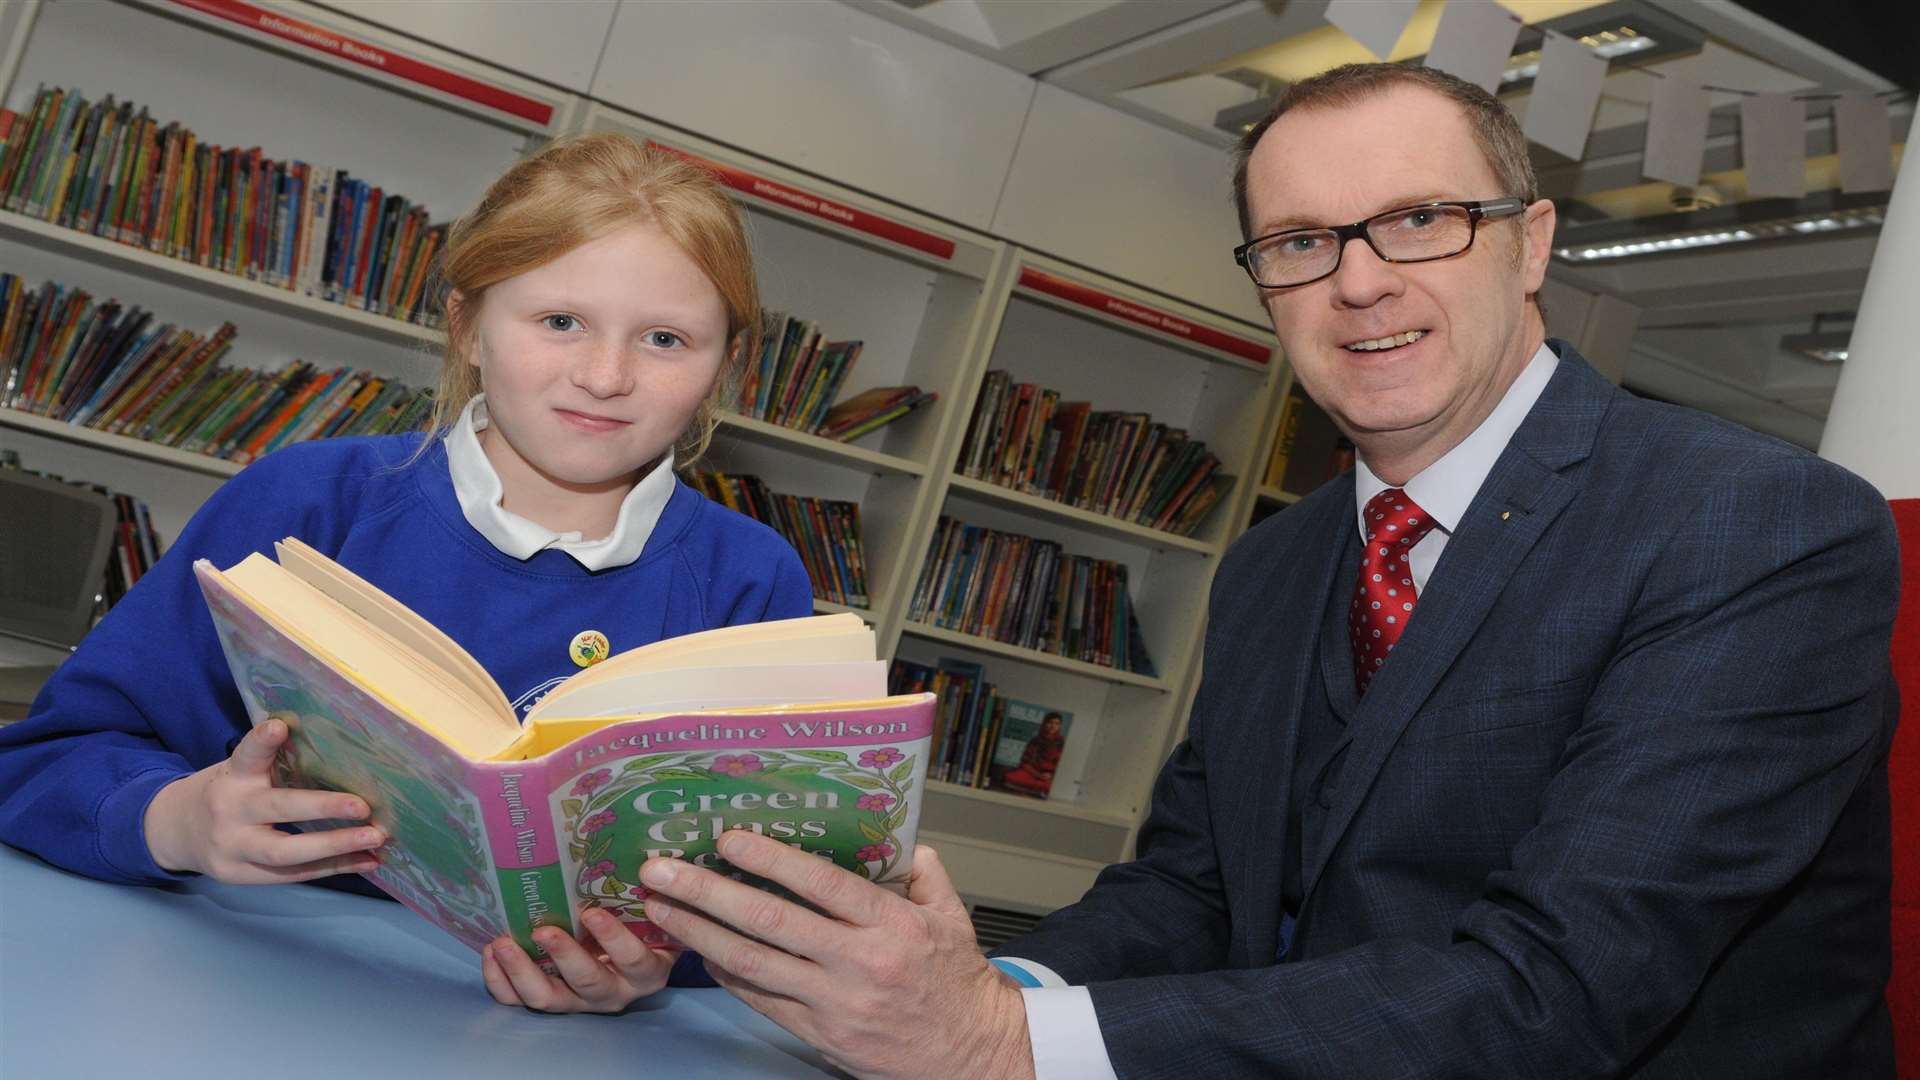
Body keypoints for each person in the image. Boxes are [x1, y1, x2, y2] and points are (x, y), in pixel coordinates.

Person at [619, 63, 1901, 1078]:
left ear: (1530, 242)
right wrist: (973, 988)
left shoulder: (1761, 528)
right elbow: (1198, 885)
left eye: (1419, 220)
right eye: (1298, 243)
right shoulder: (1276, 564)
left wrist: (1001, 1047)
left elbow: (1558, 993)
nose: (1357, 281)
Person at [0, 133, 813, 1013]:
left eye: (665, 339)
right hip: (227, 983)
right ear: (468, 325)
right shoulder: (307, 503)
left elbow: (769, 897)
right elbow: (49, 760)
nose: (604, 375)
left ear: (722, 367)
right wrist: (178, 822)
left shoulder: (752, 583)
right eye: (560, 321)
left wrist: (649, 967)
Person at [994, 711, 1065, 798]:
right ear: (1044, 724)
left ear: (1060, 726)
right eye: (1050, 722)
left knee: (1049, 787)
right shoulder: (1035, 740)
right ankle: (1034, 790)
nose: (1053, 726)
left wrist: (1051, 775)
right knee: (1008, 777)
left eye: (1056, 724)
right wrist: (1037, 774)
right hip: (1032, 772)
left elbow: (1062, 765)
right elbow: (1025, 761)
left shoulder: (1061, 743)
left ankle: (1034, 790)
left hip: (1049, 777)